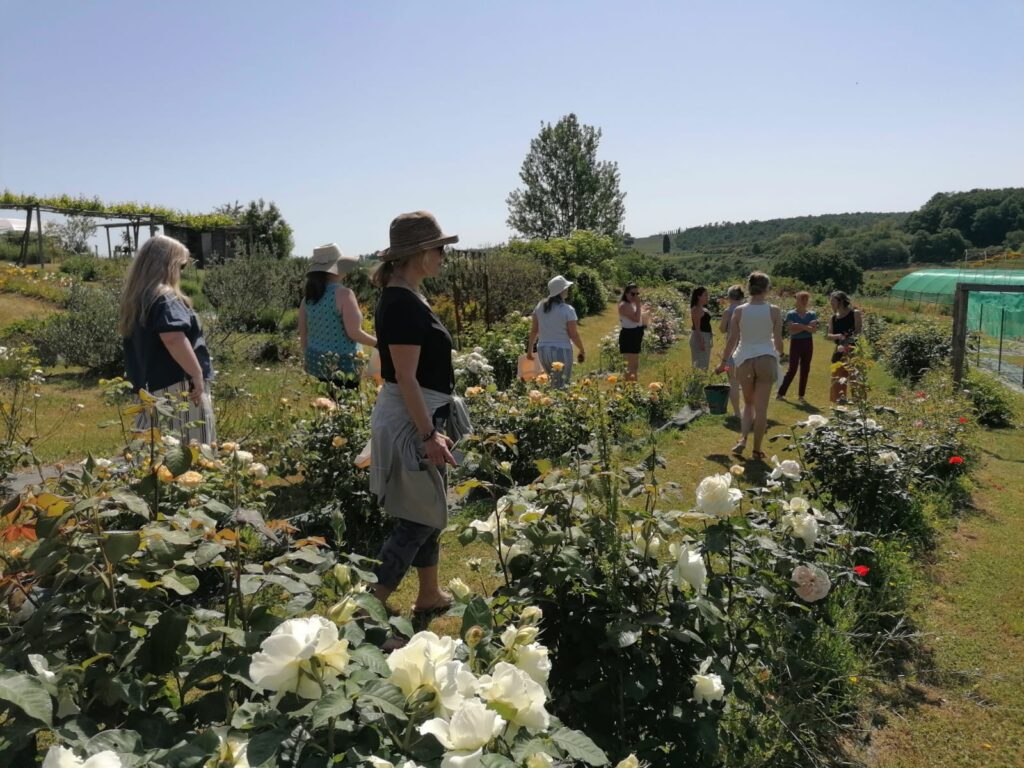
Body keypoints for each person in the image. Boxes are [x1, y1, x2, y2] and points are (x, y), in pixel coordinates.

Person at [368, 211, 471, 620]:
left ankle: (428, 592)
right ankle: (369, 603)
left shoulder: (407, 295)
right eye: (440, 249)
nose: (445, 256)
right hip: (414, 421)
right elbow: (406, 378)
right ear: (419, 253)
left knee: (429, 509)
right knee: (418, 517)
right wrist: (428, 434)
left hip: (424, 416)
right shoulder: (400, 305)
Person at [119, 235, 216, 445]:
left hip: (149, 388)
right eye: (180, 266)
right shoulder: (166, 298)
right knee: (191, 448)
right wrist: (196, 373)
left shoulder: (138, 300)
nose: (181, 273)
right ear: (167, 265)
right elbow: (173, 337)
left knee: (152, 449)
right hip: (180, 387)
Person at [715, 272, 783, 460]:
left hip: (744, 360)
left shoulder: (739, 311)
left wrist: (723, 362)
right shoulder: (774, 310)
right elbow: (778, 341)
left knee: (749, 404)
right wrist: (781, 354)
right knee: (761, 409)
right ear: (767, 288)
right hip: (766, 359)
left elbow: (732, 340)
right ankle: (757, 450)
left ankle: (743, 439)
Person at [298, 243, 377, 387]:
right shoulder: (344, 294)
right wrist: (378, 343)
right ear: (336, 268)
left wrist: (308, 360)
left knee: (325, 406)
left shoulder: (307, 299)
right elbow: (354, 333)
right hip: (343, 364)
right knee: (345, 406)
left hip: (315, 362)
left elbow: (303, 335)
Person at [527, 275, 586, 388]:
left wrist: (529, 351)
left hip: (543, 350)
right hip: (561, 350)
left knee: (553, 383)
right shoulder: (567, 310)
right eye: (566, 288)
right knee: (562, 385)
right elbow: (573, 334)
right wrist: (582, 350)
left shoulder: (540, 306)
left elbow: (534, 331)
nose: (568, 289)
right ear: (561, 290)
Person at [776, 291, 818, 403]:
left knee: (805, 369)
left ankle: (801, 396)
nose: (804, 302)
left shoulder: (812, 314)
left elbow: (813, 330)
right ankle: (780, 393)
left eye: (806, 299)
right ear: (797, 300)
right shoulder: (791, 314)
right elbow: (792, 332)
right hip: (796, 343)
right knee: (792, 369)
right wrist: (806, 327)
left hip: (808, 343)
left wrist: (798, 326)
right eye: (801, 299)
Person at [826, 291, 863, 403]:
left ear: (840, 301)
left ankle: (859, 407)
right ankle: (839, 407)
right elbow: (829, 335)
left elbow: (859, 331)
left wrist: (848, 339)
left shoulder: (854, 313)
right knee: (837, 380)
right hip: (839, 350)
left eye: (832, 300)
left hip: (853, 350)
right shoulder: (833, 318)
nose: (830, 303)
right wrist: (838, 336)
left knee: (855, 380)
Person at [718, 285, 745, 418]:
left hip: (732, 350)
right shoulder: (747, 310)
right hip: (748, 350)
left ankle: (737, 413)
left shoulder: (728, 312)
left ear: (729, 297)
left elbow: (722, 329)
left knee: (734, 382)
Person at [617, 283, 648, 381]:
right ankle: (629, 388)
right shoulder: (624, 305)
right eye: (633, 294)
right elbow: (635, 318)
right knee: (630, 366)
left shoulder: (631, 304)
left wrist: (645, 310)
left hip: (635, 333)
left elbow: (639, 318)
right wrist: (639, 305)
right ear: (626, 293)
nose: (635, 296)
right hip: (629, 335)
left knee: (635, 365)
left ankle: (633, 388)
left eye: (637, 294)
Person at [689, 286, 713, 370]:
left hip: (705, 336)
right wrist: (701, 341)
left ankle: (701, 381)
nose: (707, 297)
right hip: (700, 336)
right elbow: (697, 327)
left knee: (704, 363)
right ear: (699, 296)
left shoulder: (703, 308)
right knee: (700, 364)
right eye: (705, 295)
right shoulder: (696, 309)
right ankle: (698, 382)